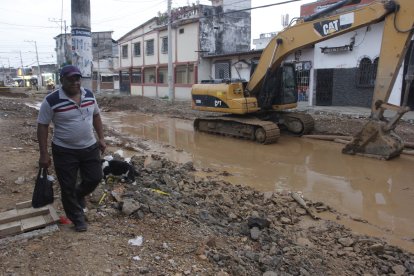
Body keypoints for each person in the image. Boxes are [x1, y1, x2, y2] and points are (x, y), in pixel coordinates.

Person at [37, 65, 106, 232]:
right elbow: (42, 126)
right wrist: (44, 154)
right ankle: (77, 218)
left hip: (89, 146)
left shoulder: (89, 95)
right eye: (70, 79)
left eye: (77, 78)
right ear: (62, 80)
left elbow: (96, 115)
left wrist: (101, 138)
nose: (75, 82)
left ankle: (78, 194)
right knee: (67, 185)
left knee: (94, 177)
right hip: (64, 150)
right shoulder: (51, 100)